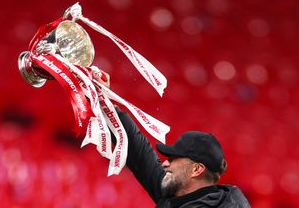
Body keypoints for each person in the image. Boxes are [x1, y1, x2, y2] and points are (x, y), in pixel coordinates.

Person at [93, 71, 251, 208]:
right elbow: (138, 151)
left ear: (196, 169)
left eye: (173, 159)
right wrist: (104, 101)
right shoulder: (174, 193)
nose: (165, 163)